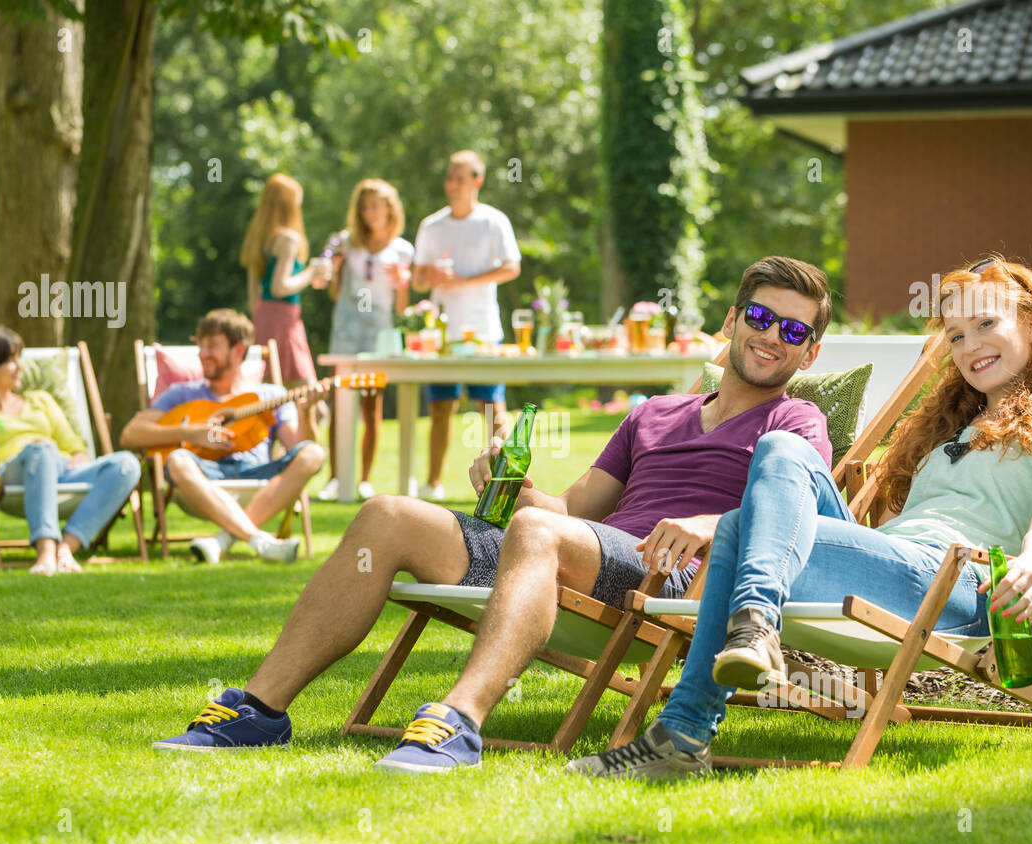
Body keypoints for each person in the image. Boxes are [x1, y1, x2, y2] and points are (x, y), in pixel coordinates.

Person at [152, 256, 834, 771]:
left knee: (538, 532)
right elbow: (569, 509)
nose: (772, 335)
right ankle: (258, 710)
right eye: (761, 316)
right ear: (732, 320)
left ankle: (458, 721)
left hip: (674, 580)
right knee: (386, 513)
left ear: (810, 351)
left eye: (794, 329)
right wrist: (516, 483)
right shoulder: (652, 414)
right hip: (584, 555)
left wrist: (710, 525)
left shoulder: (795, 420)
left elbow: (794, 514)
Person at [567, 256, 1032, 778]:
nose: (969, 346)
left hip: (962, 586)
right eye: (955, 336)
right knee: (781, 447)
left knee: (737, 527)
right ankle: (745, 640)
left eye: (984, 324)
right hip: (898, 570)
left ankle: (689, 726)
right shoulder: (952, 430)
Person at [119, 309, 327, 564]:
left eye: (212, 346)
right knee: (178, 460)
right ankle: (259, 540)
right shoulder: (181, 393)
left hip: (258, 475)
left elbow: (299, 447)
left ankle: (224, 540)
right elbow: (131, 434)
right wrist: (190, 433)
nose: (203, 354)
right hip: (204, 476)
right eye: (201, 345)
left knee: (314, 453)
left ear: (238, 350)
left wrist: (307, 412)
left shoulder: (270, 394)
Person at [0, 326, 141, 575]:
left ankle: (66, 548)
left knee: (126, 464)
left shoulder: (40, 400)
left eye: (19, 359)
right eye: (10, 361)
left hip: (58, 470)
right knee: (43, 449)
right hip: (9, 476)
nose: (20, 367)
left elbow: (73, 444)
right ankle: (45, 551)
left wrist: (79, 456)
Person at [412, 150, 521, 501]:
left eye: (459, 178)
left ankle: (503, 482)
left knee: (491, 409)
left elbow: (511, 267)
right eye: (449, 177)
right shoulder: (431, 225)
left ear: (477, 181)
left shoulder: (494, 221)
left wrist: (464, 281)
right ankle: (433, 484)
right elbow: (416, 280)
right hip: (441, 335)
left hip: (483, 331)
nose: (452, 185)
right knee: (440, 409)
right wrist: (432, 274)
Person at [314, 178, 414, 502]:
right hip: (346, 329)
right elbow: (332, 289)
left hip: (378, 333)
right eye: (365, 206)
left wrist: (402, 283)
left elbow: (401, 307)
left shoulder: (402, 250)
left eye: (376, 206)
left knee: (372, 405)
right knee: (340, 403)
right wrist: (333, 269)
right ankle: (335, 477)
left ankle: (365, 479)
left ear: (390, 210)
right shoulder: (344, 242)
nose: (370, 212)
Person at [240, 172, 324, 437]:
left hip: (263, 320)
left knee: (269, 402)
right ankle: (297, 458)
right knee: (315, 402)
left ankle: (279, 455)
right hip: (284, 322)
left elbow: (254, 296)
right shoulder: (288, 238)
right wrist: (312, 272)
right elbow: (279, 287)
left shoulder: (259, 238)